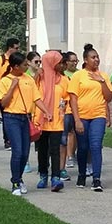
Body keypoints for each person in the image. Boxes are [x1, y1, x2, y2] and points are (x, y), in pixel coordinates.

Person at [0, 52, 51, 196]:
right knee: (17, 151)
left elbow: (37, 98)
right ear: (15, 66)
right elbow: (3, 103)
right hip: (11, 117)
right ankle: (15, 182)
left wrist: (46, 111)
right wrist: (12, 87)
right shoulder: (5, 80)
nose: (27, 67)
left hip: (25, 118)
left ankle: (19, 178)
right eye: (24, 65)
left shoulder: (28, 79)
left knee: (25, 153)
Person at [68, 43, 112, 192]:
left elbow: (108, 97)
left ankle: (96, 178)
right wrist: (77, 120)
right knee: (83, 147)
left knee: (96, 146)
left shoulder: (103, 76)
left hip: (98, 115)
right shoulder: (78, 76)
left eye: (97, 57)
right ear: (85, 60)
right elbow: (73, 99)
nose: (96, 60)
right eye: (93, 57)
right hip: (82, 116)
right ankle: (82, 174)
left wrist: (101, 81)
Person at [35, 51, 68, 192]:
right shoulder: (39, 79)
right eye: (58, 62)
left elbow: (67, 97)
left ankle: (56, 177)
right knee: (42, 150)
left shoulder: (64, 80)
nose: (61, 65)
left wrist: (63, 107)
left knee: (55, 150)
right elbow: (33, 95)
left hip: (56, 120)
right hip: (41, 120)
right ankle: (43, 175)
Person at [59, 51, 79, 181]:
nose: (74, 63)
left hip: (76, 108)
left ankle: (71, 156)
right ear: (66, 62)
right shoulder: (63, 75)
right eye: (72, 60)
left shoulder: (78, 73)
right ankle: (64, 160)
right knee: (64, 135)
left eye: (76, 60)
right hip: (64, 110)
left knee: (74, 133)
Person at [0, 38, 21, 148]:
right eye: (16, 48)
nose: (18, 50)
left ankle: (12, 139)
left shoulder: (17, 60)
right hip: (3, 92)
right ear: (10, 48)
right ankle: (7, 139)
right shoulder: (0, 60)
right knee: (6, 116)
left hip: (16, 92)